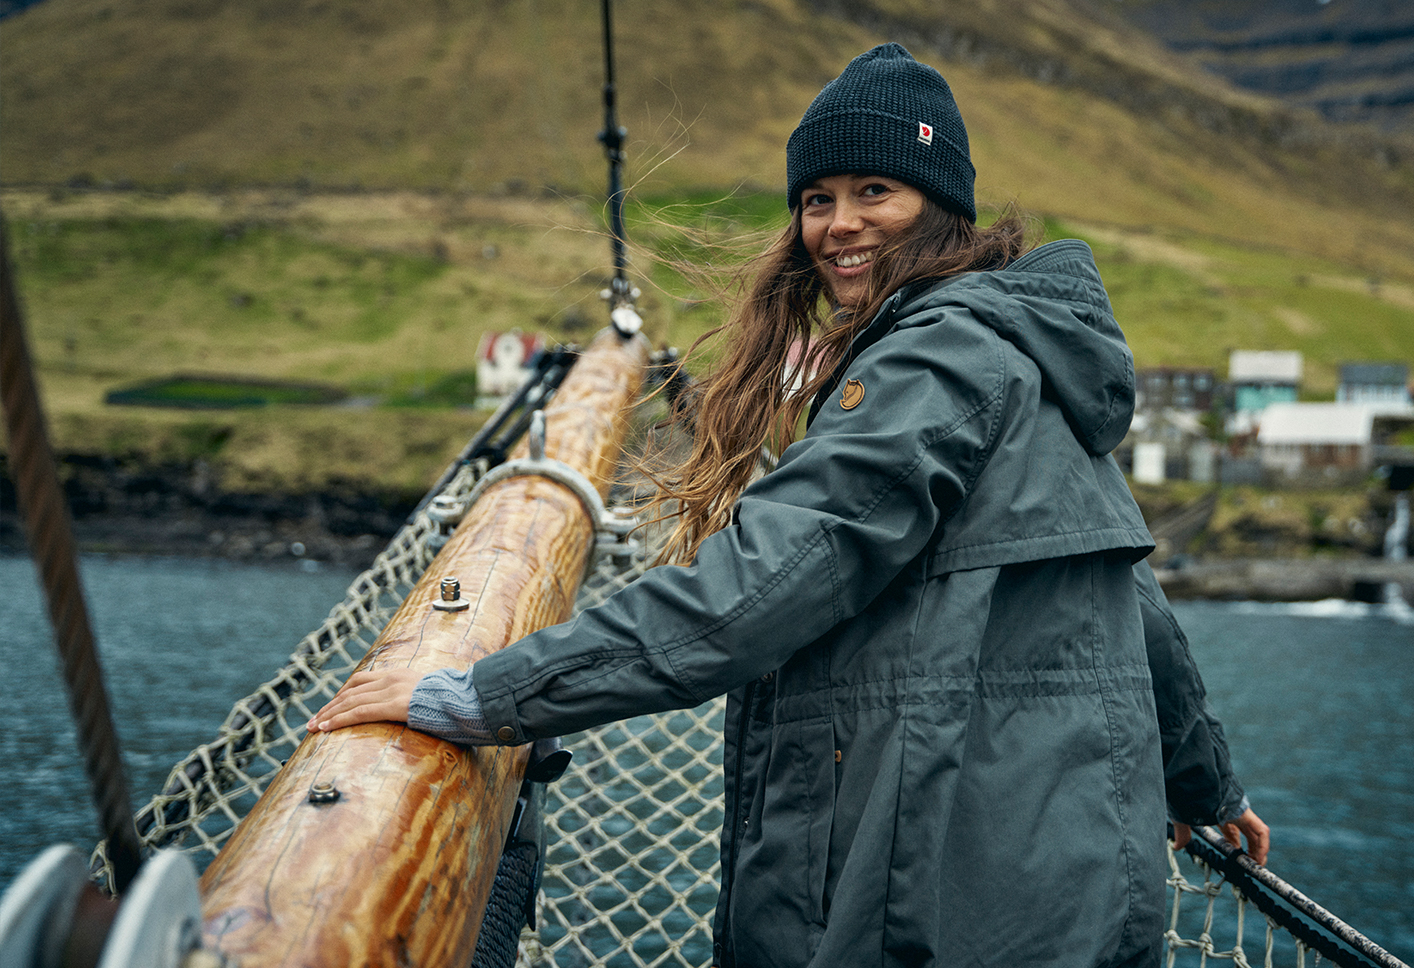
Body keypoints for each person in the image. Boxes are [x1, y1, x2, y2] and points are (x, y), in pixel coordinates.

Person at [310, 42, 1265, 968]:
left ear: (941, 208)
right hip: (1076, 892)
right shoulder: (1026, 354)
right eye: (818, 199)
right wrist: (1204, 782)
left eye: (874, 191)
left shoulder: (940, 363)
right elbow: (1132, 597)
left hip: (940, 901)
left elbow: (756, 587)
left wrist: (485, 697)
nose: (839, 224)